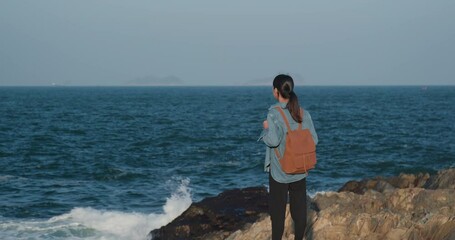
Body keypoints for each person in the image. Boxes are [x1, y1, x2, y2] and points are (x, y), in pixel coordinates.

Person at [259, 74, 318, 240]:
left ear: (276, 91)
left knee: (277, 214)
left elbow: (273, 140)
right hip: (300, 169)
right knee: (299, 213)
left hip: (280, 172)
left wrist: (265, 129)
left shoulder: (274, 113)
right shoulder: (303, 113)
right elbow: (315, 140)